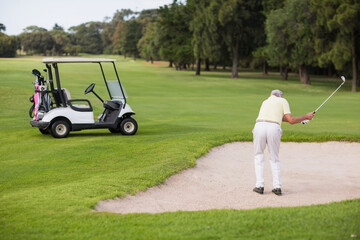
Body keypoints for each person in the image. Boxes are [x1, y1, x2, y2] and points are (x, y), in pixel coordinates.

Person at [252, 89, 314, 196]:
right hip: (273, 128)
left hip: (259, 126)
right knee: (274, 158)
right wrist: (306, 116)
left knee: (259, 155)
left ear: (271, 95)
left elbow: (280, 117)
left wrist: (301, 119)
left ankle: (259, 186)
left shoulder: (265, 101)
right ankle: (277, 187)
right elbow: (291, 120)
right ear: (280, 96)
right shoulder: (282, 101)